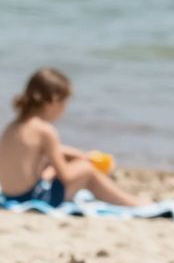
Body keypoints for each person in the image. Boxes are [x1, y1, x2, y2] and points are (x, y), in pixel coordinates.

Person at [0, 67, 142, 207]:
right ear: (54, 100)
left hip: (12, 196)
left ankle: (127, 200)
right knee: (86, 169)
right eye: (64, 102)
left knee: (64, 163)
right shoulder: (45, 130)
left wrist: (80, 155)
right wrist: (86, 162)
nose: (64, 109)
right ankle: (131, 202)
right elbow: (66, 176)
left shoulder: (13, 126)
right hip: (34, 198)